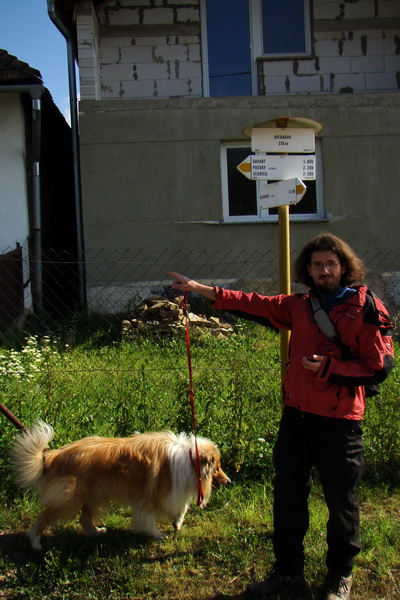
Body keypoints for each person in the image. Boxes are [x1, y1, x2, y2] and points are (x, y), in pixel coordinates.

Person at [167, 232, 394, 600]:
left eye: (331, 264)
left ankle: (340, 576)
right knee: (287, 500)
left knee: (342, 503)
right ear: (308, 268)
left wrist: (329, 368)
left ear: (344, 267)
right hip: (297, 419)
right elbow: (254, 303)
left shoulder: (367, 308)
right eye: (317, 264)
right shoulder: (299, 305)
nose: (324, 270)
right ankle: (288, 575)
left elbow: (379, 367)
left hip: (340, 422)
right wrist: (201, 289)